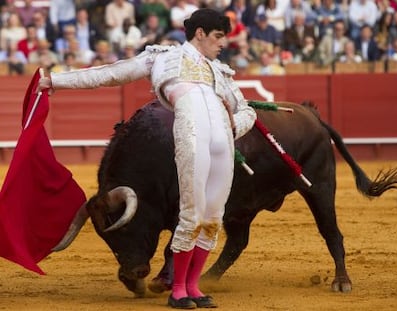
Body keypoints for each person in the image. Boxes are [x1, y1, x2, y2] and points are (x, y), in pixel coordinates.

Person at [36, 8, 257, 309]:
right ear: (200, 33)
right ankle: (178, 289)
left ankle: (193, 286)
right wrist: (56, 82)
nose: (223, 44)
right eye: (218, 37)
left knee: (213, 218)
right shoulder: (162, 57)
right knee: (192, 213)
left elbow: (248, 111)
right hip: (192, 133)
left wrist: (234, 125)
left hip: (222, 140)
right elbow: (110, 74)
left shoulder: (221, 72)